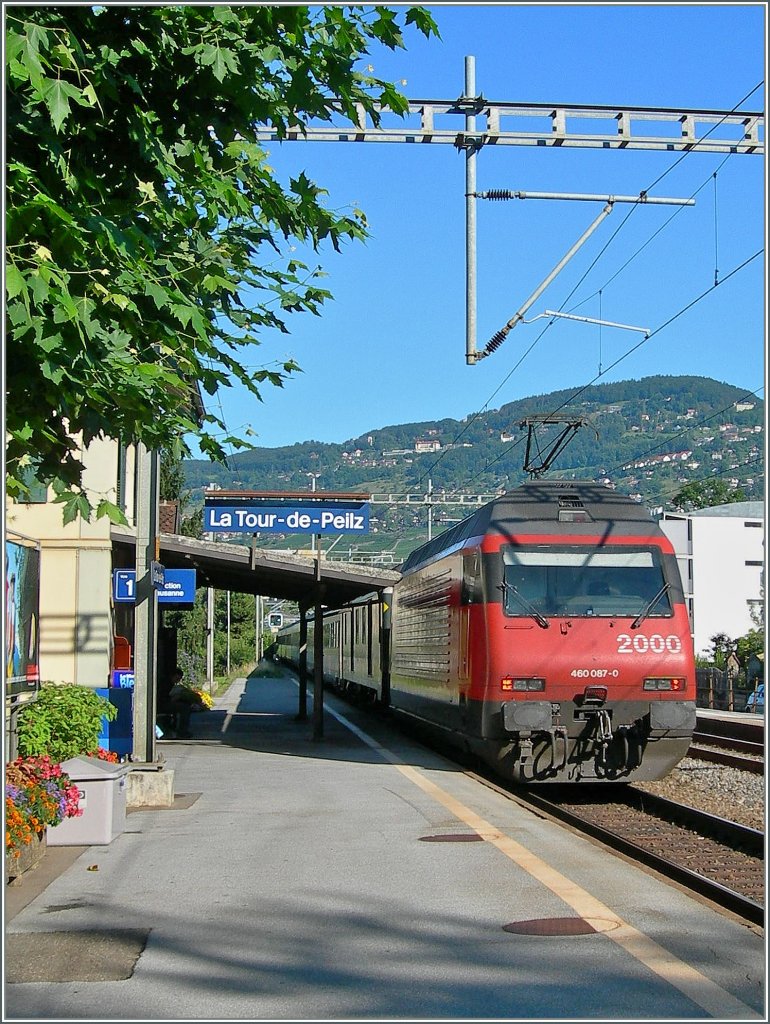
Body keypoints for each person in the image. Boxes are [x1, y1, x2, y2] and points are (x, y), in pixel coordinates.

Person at [168, 667, 205, 739]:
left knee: (185, 706)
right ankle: (182, 732)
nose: (178, 680)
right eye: (177, 678)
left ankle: (179, 729)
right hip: (165, 704)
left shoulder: (173, 685)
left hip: (170, 702)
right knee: (184, 708)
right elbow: (167, 698)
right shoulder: (167, 685)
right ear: (174, 675)